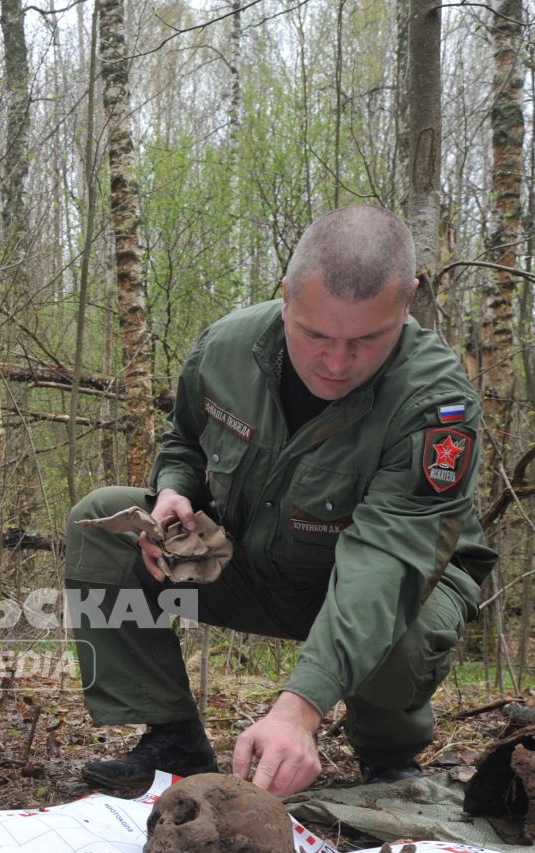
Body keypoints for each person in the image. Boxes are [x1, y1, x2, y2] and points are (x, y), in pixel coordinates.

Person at [65, 205, 497, 797]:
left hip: (380, 583)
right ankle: (172, 740)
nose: (336, 363)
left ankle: (387, 759)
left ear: (409, 300)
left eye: (368, 339)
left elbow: (387, 567)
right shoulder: (226, 349)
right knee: (101, 522)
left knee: (406, 618)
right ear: (286, 295)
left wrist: (298, 711)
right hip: (252, 565)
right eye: (315, 334)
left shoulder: (436, 405)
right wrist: (174, 492)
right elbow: (185, 441)